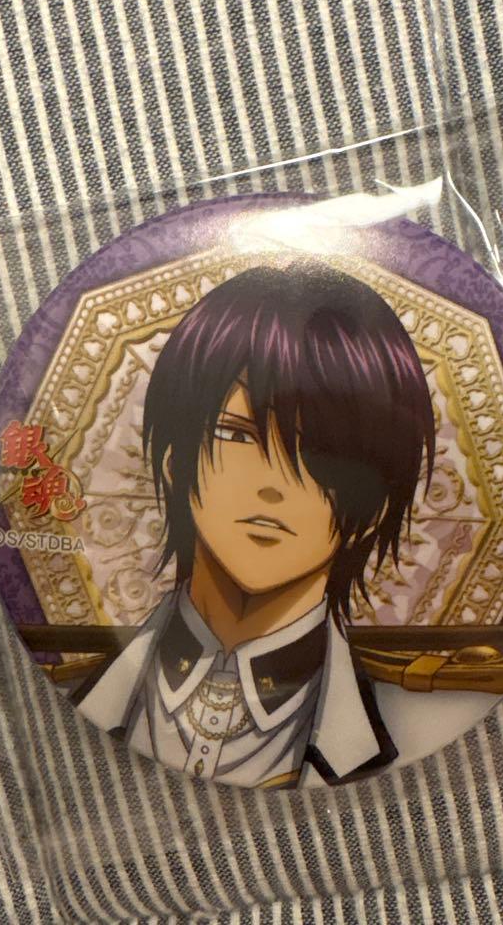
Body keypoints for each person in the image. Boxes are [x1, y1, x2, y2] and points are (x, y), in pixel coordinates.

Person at [73, 261, 436, 788]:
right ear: (176, 461)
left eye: (322, 453)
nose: (273, 483)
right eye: (236, 434)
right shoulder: (86, 689)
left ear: (374, 508)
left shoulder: (406, 723)